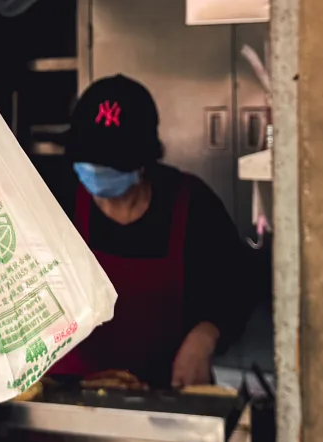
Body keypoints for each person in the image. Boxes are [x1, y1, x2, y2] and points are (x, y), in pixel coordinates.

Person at [48, 75, 257, 389]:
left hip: (165, 392)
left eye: (112, 163)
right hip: (69, 390)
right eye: (88, 160)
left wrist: (206, 335)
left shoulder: (190, 203)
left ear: (144, 160)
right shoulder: (58, 197)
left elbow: (237, 287)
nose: (96, 172)